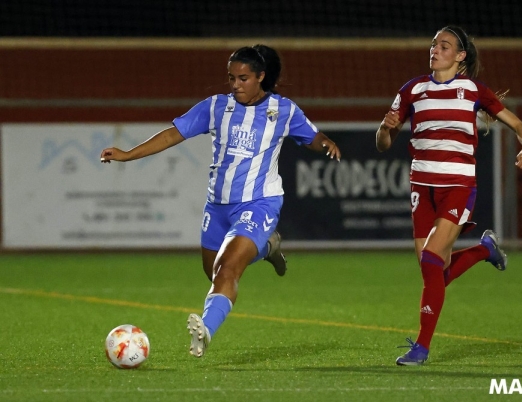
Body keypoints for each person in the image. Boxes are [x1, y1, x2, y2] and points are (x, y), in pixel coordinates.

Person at [100, 44, 341, 358]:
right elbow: (173, 134)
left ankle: (205, 331)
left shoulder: (283, 110)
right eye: (231, 78)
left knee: (227, 270)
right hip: (217, 207)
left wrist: (326, 144)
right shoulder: (215, 107)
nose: (236, 85)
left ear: (261, 77)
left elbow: (312, 137)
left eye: (243, 78)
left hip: (259, 203)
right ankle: (269, 247)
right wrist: (128, 155)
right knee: (215, 272)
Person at [376, 26, 522, 365]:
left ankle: (421, 346)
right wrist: (385, 128)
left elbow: (516, 123)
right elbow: (383, 144)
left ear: (460, 56)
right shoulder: (412, 89)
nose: (435, 49)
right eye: (433, 44)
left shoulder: (473, 89)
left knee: (433, 260)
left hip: (458, 186)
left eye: (444, 45)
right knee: (433, 270)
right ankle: (483, 250)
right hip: (422, 186)